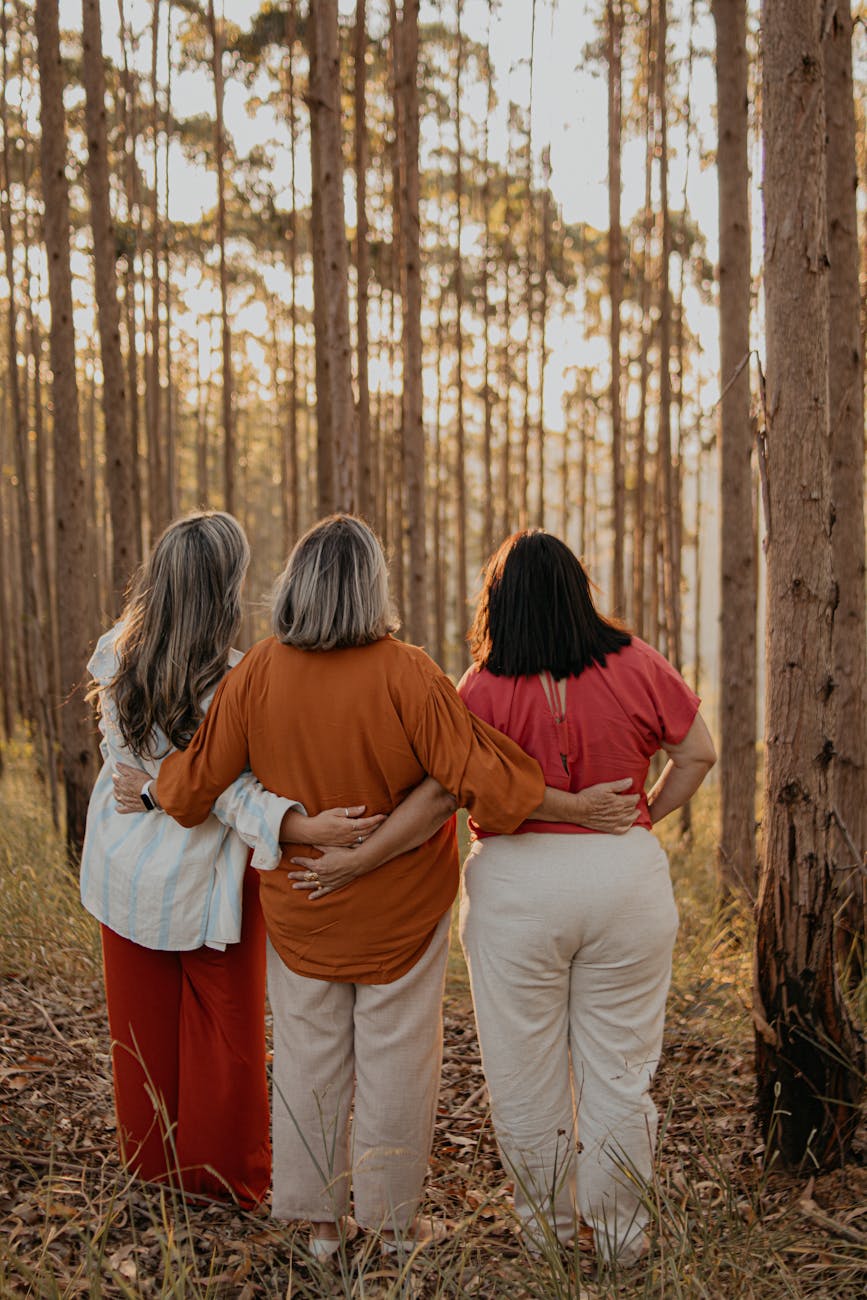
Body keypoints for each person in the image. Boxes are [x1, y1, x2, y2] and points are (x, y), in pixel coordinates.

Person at [148, 514, 639, 1256]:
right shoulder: (408, 671)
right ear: (370, 586)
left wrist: (148, 781)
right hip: (401, 915)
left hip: (303, 909)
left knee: (309, 1062)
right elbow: (476, 776)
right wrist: (574, 807)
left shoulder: (257, 674)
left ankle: (317, 1225)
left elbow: (193, 791)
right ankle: (390, 1224)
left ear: (294, 586)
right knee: (397, 1062)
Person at [80, 511, 385, 1208]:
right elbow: (234, 794)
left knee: (140, 1032)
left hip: (125, 870)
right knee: (226, 1039)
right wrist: (302, 826)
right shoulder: (240, 680)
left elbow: (127, 769)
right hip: (204, 881)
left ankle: (152, 1173)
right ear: (223, 591)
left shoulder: (116, 655)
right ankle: (221, 1186)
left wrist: (156, 786)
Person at [456, 529, 716, 1264]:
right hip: (622, 880)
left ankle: (544, 1232)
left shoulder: (478, 687)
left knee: (522, 1071)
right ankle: (620, 1238)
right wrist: (644, 816)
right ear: (579, 590)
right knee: (618, 1072)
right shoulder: (635, 663)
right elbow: (698, 751)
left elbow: (458, 785)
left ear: (498, 602)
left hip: (514, 887)